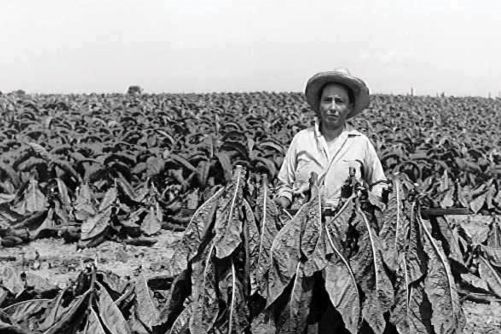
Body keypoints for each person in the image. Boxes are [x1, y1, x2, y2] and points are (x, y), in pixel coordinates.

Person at [275, 68, 387, 209]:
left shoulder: (360, 143)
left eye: (339, 101)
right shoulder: (301, 139)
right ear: (319, 104)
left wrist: (370, 202)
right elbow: (284, 183)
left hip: (347, 225)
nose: (333, 107)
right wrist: (284, 199)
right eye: (328, 100)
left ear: (349, 107)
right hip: (301, 222)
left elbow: (379, 183)